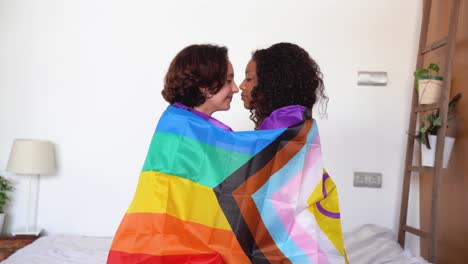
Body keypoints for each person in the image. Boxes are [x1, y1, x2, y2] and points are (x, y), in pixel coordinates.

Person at [239, 42, 348, 263]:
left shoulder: (283, 122)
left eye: (249, 79)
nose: (241, 86)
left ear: (270, 84)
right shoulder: (295, 117)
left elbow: (260, 190)